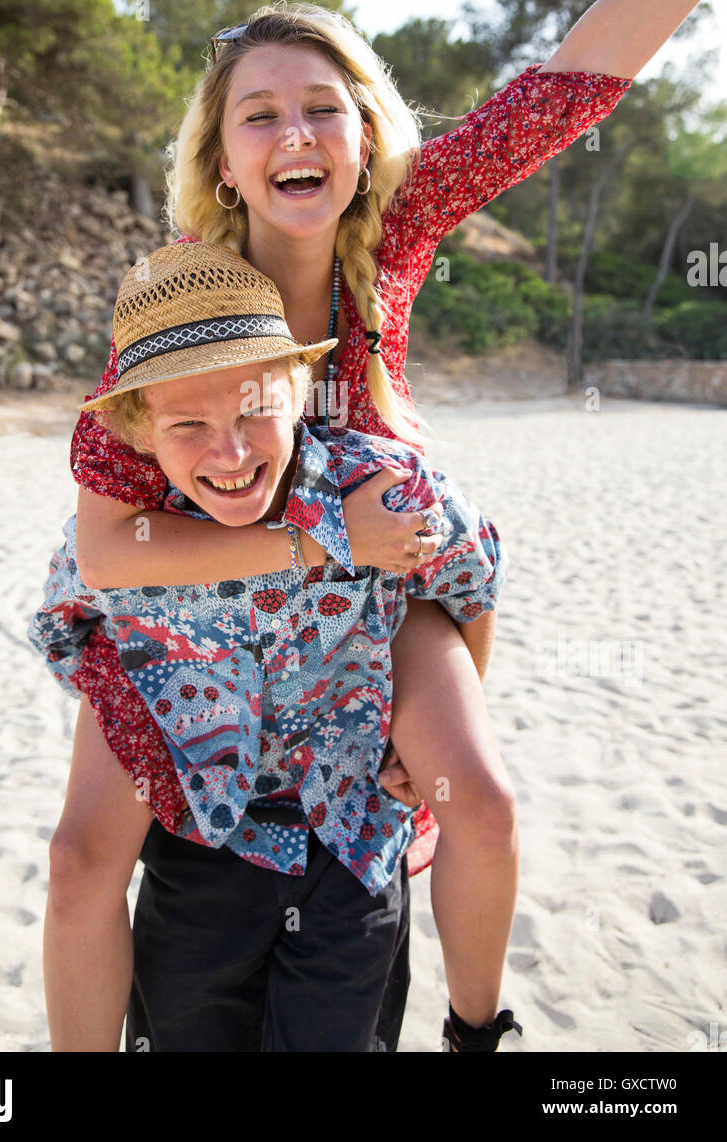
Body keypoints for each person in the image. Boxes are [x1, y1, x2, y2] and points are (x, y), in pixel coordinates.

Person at [47, 0, 726, 1044]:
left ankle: (475, 1036)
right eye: (257, 115)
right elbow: (109, 544)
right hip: (200, 589)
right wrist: (311, 537)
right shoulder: (177, 295)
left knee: (485, 804)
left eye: (322, 107)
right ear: (219, 155)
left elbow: (560, 93)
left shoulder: (394, 239)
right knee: (76, 858)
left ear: (365, 139)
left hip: (374, 577)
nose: (294, 133)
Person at [30, 241, 519, 1052]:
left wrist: (425, 726)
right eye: (189, 425)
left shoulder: (382, 492)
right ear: (140, 432)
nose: (231, 452)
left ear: (299, 390)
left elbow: (472, 575)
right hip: (205, 839)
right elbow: (74, 630)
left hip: (347, 837)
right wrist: (144, 740)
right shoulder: (132, 544)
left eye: (255, 411)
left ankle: (477, 1034)